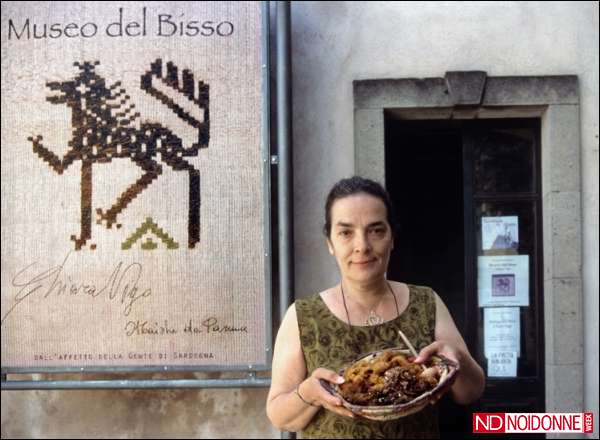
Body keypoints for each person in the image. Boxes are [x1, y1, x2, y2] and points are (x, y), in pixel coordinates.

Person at [266, 176, 485, 438]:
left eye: (376, 230)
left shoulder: (426, 302)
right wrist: (309, 394)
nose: (362, 246)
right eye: (346, 232)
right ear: (330, 243)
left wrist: (457, 361)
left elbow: (470, 392)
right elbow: (280, 415)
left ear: (392, 237)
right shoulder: (303, 316)